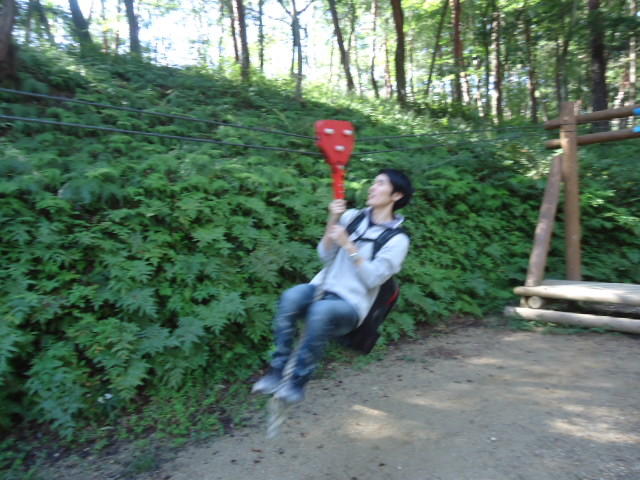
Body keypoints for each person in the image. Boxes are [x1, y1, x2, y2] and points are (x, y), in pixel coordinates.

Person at [252, 168, 413, 404]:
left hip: (351, 305)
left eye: (380, 184)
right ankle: (276, 372)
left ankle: (297, 382)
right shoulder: (353, 217)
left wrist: (349, 246)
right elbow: (325, 255)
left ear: (396, 195)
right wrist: (333, 219)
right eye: (374, 182)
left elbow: (373, 279)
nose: (372, 187)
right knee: (291, 297)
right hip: (322, 288)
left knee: (322, 311)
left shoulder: (398, 240)